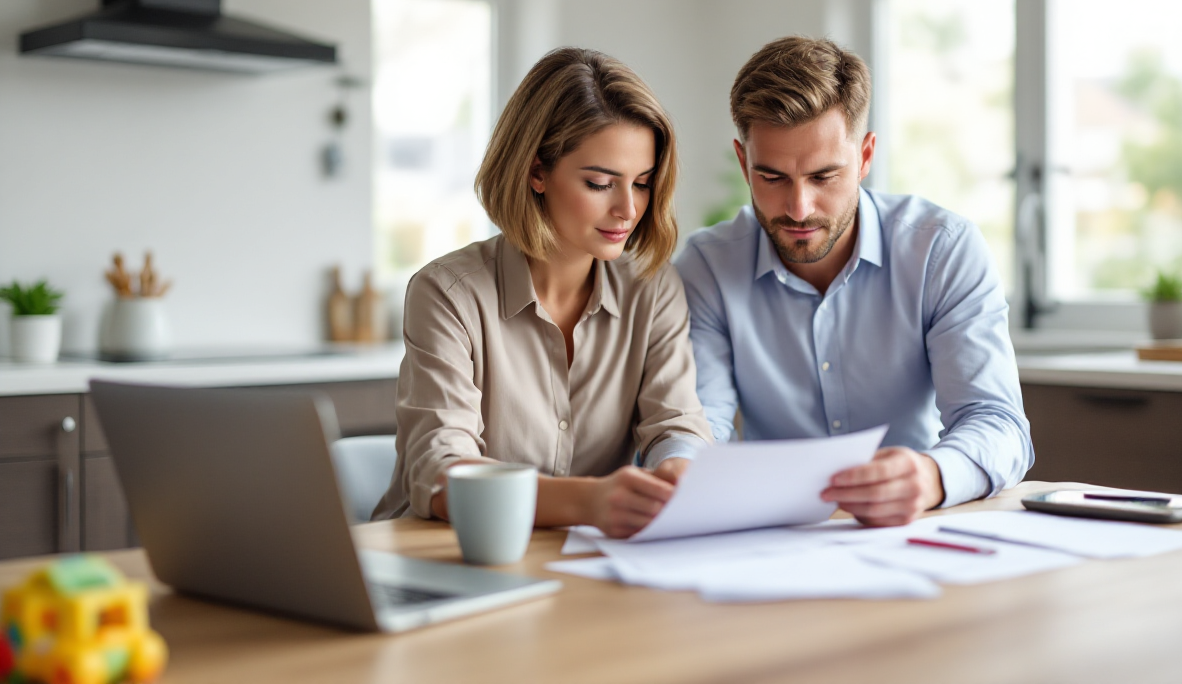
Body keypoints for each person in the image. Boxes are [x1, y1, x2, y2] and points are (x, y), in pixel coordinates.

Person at [674, 36, 1032, 527]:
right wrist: (683, 475)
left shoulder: (941, 250)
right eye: (773, 177)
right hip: (768, 535)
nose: (799, 209)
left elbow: (998, 423)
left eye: (824, 176)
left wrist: (930, 475)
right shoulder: (706, 266)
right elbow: (698, 426)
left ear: (865, 157)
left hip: (914, 529)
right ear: (744, 163)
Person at [373, 47, 713, 538]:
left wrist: (678, 467)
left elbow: (676, 422)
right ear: (536, 172)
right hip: (441, 554)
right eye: (600, 183)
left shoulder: (652, 289)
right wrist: (588, 500)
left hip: (574, 560)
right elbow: (441, 473)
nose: (628, 209)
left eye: (642, 183)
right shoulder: (447, 293)